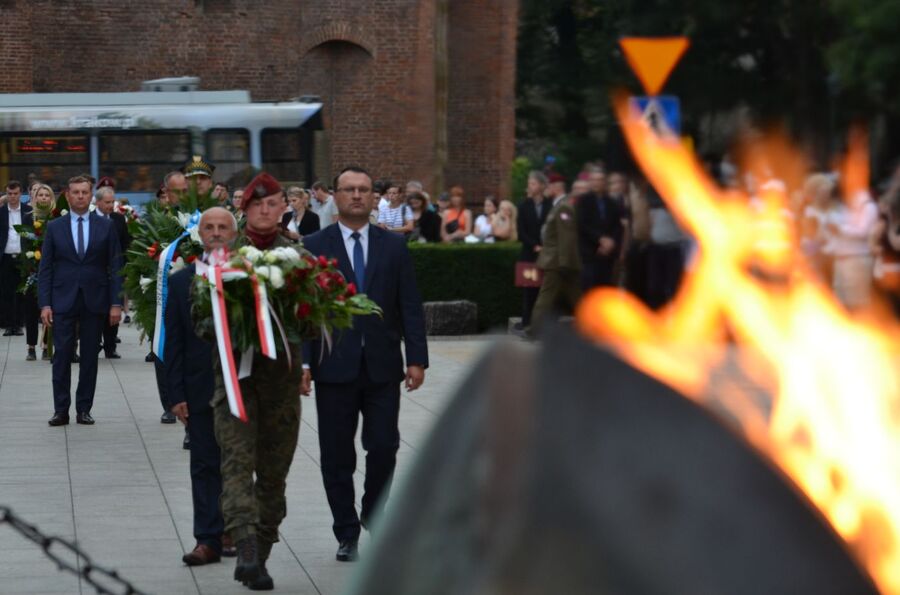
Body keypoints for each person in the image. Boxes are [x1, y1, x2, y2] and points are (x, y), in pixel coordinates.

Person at [303, 166, 428, 563]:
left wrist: (418, 359)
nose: (357, 195)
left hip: (382, 366)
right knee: (337, 453)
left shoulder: (393, 247)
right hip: (333, 366)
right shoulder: (313, 245)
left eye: (363, 190)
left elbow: (408, 304)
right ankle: (347, 531)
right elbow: (304, 311)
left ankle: (376, 512)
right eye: (348, 189)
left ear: (374, 197)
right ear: (335, 196)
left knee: (385, 446)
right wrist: (304, 364)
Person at [211, 172, 309, 590]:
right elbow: (202, 320)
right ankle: (245, 543)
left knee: (274, 474)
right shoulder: (223, 257)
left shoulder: (299, 257)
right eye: (257, 205)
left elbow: (315, 318)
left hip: (281, 385)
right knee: (236, 463)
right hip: (236, 381)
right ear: (245, 210)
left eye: (272, 205)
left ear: (283, 207)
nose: (265, 211)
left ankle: (261, 551)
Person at [166, 206, 239, 568]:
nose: (215, 232)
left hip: (244, 388)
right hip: (200, 390)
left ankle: (234, 530)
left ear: (234, 233)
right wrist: (174, 395)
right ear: (199, 234)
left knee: (238, 463)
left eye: (222, 227)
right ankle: (206, 538)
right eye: (208, 227)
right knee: (204, 464)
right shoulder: (181, 282)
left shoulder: (251, 276)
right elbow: (173, 343)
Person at [39, 175, 123, 426]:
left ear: (90, 195)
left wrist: (116, 303)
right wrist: (45, 304)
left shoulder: (105, 226)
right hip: (62, 299)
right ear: (67, 194)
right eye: (75, 192)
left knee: (89, 357)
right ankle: (61, 410)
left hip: (94, 300)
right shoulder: (55, 227)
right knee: (62, 356)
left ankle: (84, 409)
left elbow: (116, 265)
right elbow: (46, 268)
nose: (80, 196)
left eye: (84, 192)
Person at [530, 177, 581, 333]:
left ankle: (535, 330)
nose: (546, 188)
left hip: (557, 261)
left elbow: (565, 237)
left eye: (549, 185)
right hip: (559, 261)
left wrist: (565, 262)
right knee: (576, 297)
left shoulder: (563, 207)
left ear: (556, 187)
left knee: (546, 298)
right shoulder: (559, 205)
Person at [576, 168, 625, 291]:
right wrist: (600, 239)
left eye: (600, 180)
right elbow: (582, 224)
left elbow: (617, 226)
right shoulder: (583, 201)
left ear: (605, 182)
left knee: (605, 289)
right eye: (594, 180)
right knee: (589, 289)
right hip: (589, 252)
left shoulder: (612, 202)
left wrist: (611, 242)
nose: (597, 183)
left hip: (608, 255)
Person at [94, 186, 128, 359]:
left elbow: (125, 245)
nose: (110, 205)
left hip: (116, 270)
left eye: (112, 202)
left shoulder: (118, 219)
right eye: (107, 202)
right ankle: (96, 343)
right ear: (98, 202)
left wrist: (126, 270)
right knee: (98, 309)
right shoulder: (90, 219)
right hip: (97, 272)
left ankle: (110, 345)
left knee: (115, 306)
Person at [517, 171, 552, 331]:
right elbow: (521, 232)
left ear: (542, 186)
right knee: (529, 289)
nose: (529, 186)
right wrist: (534, 245)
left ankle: (542, 323)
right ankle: (527, 322)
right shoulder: (524, 206)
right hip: (529, 254)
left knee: (544, 290)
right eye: (529, 183)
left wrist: (545, 246)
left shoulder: (550, 205)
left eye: (533, 183)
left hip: (546, 254)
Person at [1, 181, 31, 346]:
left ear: (20, 194)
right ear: (6, 194)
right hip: (5, 256)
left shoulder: (27, 211)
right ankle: (8, 325)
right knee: (6, 291)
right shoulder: (1, 212)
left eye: (15, 193)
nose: (12, 197)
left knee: (21, 291)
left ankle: (19, 324)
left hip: (22, 256)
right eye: (9, 193)